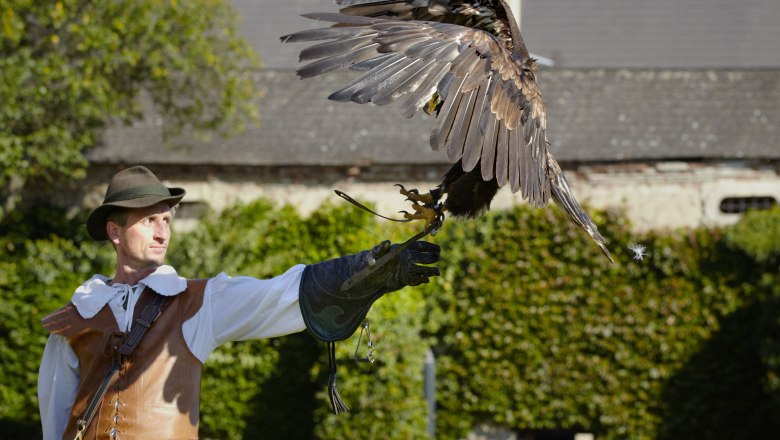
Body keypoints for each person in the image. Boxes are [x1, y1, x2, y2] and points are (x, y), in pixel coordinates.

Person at [37, 165, 441, 439]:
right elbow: (55, 421)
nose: (162, 232)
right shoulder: (77, 318)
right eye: (148, 220)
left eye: (166, 220)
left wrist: (368, 268)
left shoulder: (197, 302)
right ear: (115, 231)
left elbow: (281, 294)